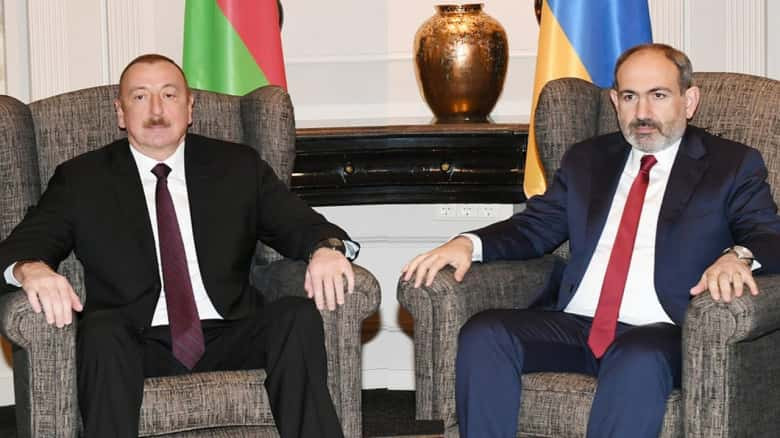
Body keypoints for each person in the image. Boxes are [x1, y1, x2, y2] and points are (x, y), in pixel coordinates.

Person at [402, 43, 780, 437]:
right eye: (630, 97)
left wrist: (738, 255)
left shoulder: (731, 164)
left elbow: (768, 234)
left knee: (636, 357)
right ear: (615, 102)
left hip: (664, 330)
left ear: (689, 101)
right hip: (578, 323)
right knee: (486, 334)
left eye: (658, 95)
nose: (642, 112)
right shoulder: (588, 159)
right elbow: (535, 227)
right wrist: (468, 243)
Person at [0, 54, 359, 438]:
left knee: (295, 317)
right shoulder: (82, 179)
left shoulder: (236, 166)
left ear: (189, 108)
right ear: (121, 112)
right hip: (132, 342)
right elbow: (25, 242)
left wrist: (326, 247)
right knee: (100, 332)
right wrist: (31, 268)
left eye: (169, 95)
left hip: (229, 331)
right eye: (140, 97)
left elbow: (299, 222)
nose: (156, 110)